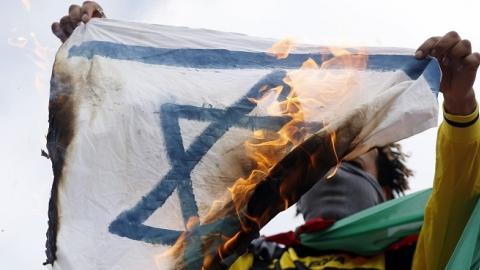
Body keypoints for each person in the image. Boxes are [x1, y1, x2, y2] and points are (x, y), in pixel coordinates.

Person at [51, 3, 480, 269]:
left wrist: (460, 107)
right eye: (323, 163)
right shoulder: (240, 256)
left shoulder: (409, 257)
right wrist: (102, 69)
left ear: (387, 190)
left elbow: (457, 197)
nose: (333, 172)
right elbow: (142, 212)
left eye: (352, 160)